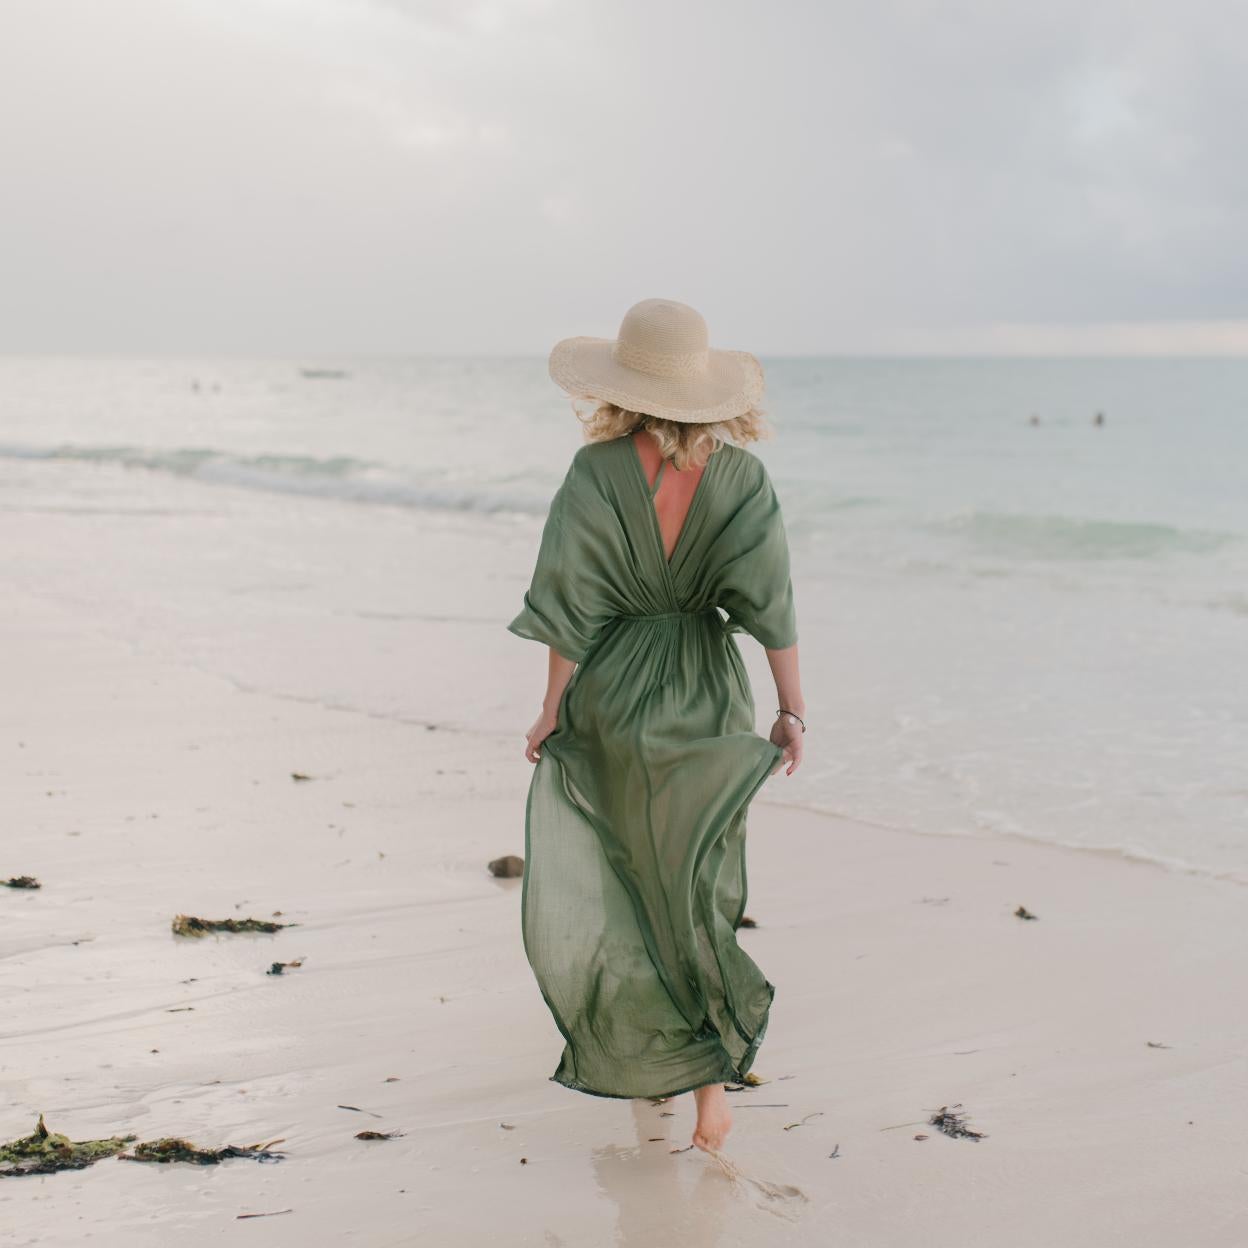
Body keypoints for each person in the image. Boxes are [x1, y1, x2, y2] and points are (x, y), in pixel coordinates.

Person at [507, 298, 807, 1154]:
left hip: (614, 691)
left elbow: (569, 603)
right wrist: (790, 710)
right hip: (710, 695)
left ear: (623, 387)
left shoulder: (597, 470)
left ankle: (674, 1069)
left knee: (637, 881)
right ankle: (709, 1081)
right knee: (698, 882)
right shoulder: (744, 479)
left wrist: (552, 705)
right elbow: (771, 606)